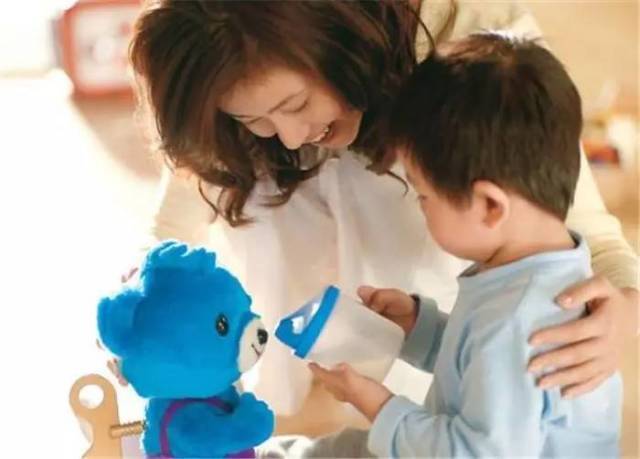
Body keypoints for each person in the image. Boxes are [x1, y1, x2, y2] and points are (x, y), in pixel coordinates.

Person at [125, 0, 638, 420]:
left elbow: (589, 233)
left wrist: (625, 307)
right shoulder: (222, 53)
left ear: (335, 34)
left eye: (295, 105)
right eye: (252, 119)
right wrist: (142, 308)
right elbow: (174, 223)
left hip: (441, 362)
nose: (290, 136)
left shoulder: (480, 57)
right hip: (315, 356)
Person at [302, 32, 622, 458]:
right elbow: (481, 370)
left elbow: (477, 452)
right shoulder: (539, 272)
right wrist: (422, 327)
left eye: (424, 196)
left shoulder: (517, 322)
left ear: (490, 205)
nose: (420, 207)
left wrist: (377, 405)